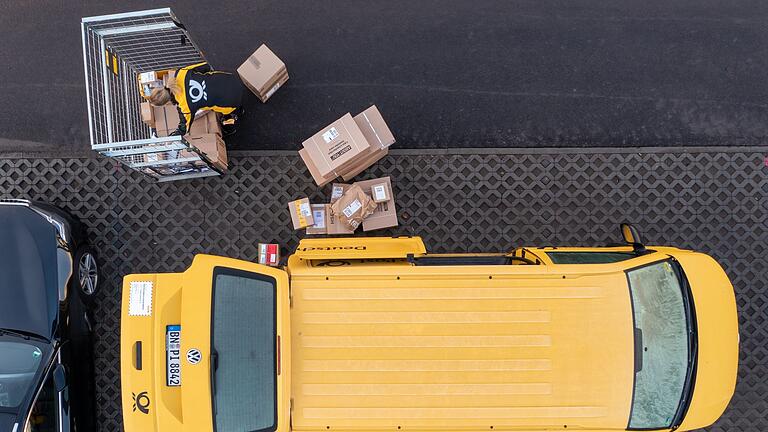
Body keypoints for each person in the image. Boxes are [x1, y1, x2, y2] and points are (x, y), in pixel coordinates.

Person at [148, 62, 244, 135]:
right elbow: (205, 66)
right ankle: (238, 109)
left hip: (232, 101)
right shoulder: (181, 73)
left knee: (226, 113)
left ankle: (230, 124)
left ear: (166, 103)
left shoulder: (184, 108)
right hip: (230, 78)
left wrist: (172, 137)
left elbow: (183, 129)